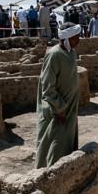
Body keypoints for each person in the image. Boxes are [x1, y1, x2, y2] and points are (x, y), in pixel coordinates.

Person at [35, 22, 81, 168]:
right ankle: (48, 175)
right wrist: (59, 109)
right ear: (65, 38)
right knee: (54, 145)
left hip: (70, 108)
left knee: (66, 143)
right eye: (75, 38)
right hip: (57, 111)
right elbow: (47, 87)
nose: (78, 40)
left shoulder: (71, 52)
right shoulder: (54, 54)